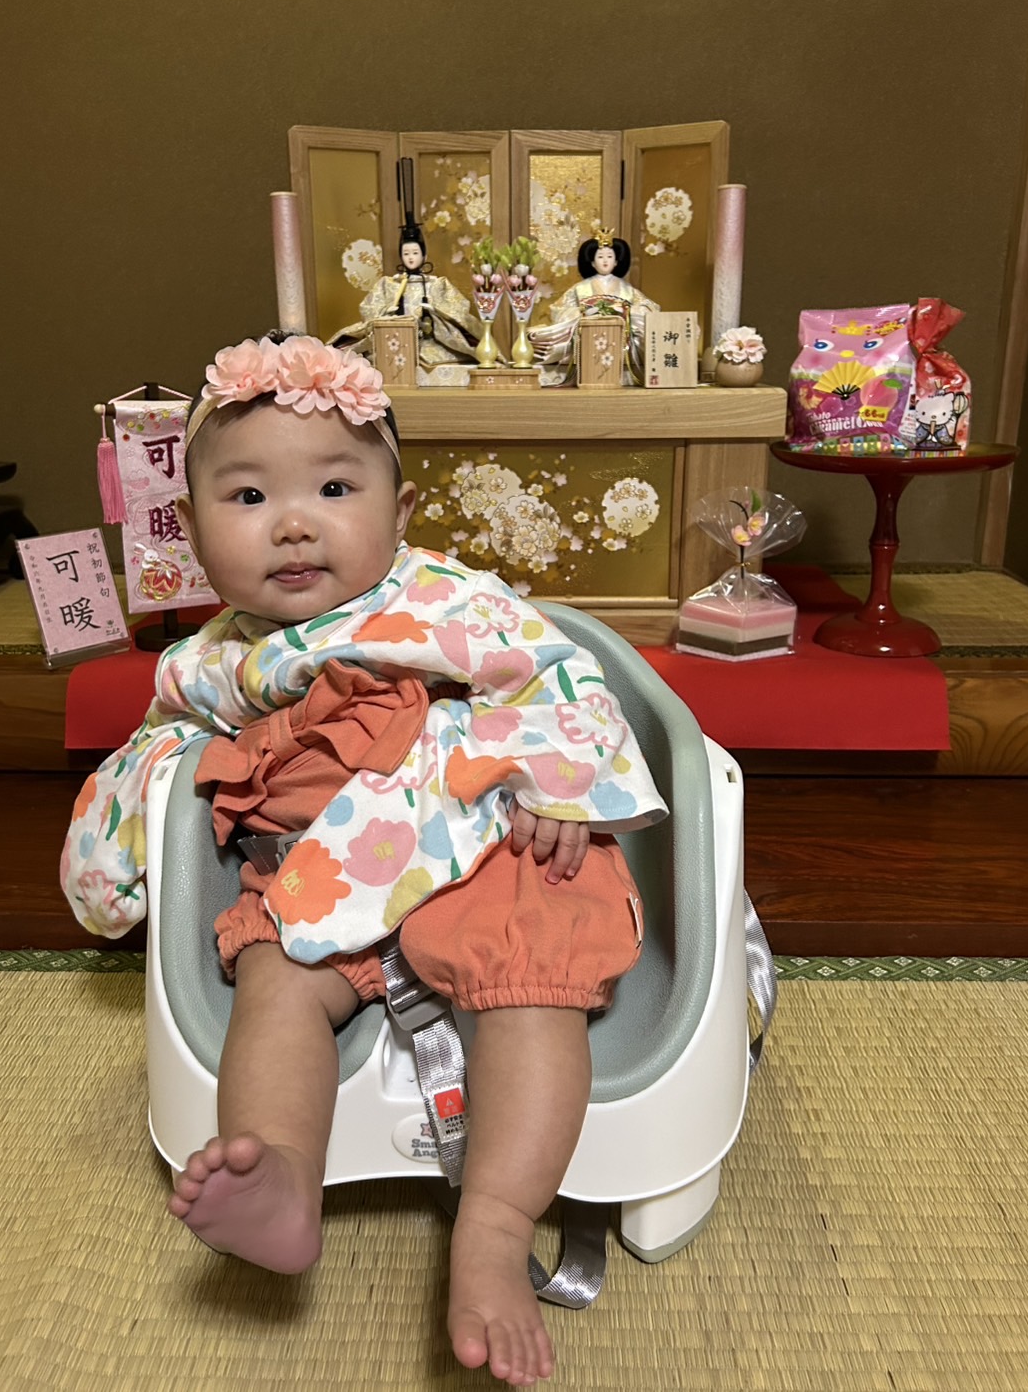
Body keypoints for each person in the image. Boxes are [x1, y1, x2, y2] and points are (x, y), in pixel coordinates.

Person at [60, 333, 666, 1387]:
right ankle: (282, 1175)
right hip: (318, 871)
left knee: (530, 978)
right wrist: (113, 855)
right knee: (274, 977)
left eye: (334, 486)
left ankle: (492, 1222)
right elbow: (153, 751)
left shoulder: (450, 606)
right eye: (245, 497)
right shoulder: (213, 660)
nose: (293, 522)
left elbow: (560, 684)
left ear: (401, 507)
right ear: (192, 527)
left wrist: (559, 783)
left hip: (481, 851)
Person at [330, 158, 488, 384]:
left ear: (423, 255)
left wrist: (434, 312)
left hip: (433, 345)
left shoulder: (437, 284)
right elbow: (369, 312)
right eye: (406, 254)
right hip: (394, 344)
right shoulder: (388, 284)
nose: (411, 258)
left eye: (415, 253)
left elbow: (460, 314)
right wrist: (389, 313)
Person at [529, 230, 659, 387]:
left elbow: (648, 306)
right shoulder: (580, 288)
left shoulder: (627, 288)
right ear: (592, 262)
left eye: (610, 257)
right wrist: (581, 312)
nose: (605, 261)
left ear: (617, 261)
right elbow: (560, 308)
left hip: (622, 334)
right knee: (541, 335)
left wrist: (629, 311)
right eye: (600, 257)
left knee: (645, 333)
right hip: (587, 332)